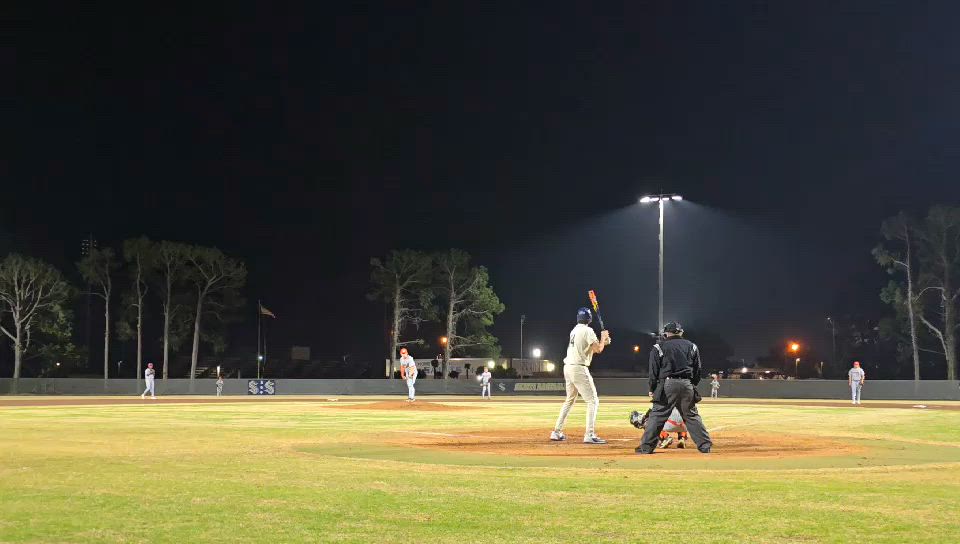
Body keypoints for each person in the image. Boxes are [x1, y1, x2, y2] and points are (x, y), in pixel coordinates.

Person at [637, 322, 712, 454]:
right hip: (687, 384)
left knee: (657, 415)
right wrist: (691, 384)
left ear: (666, 333)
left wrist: (652, 388)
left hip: (667, 385)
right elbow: (698, 370)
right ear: (681, 332)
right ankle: (705, 446)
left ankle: (646, 447)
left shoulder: (658, 347)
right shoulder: (692, 346)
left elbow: (653, 371)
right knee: (691, 415)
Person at [550, 307, 611, 445]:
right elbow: (598, 349)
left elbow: (588, 349)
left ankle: (556, 432)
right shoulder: (588, 330)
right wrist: (603, 339)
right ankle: (589, 434)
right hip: (578, 368)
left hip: (568, 367)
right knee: (593, 401)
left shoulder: (575, 330)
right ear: (589, 319)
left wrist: (603, 342)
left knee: (569, 400)